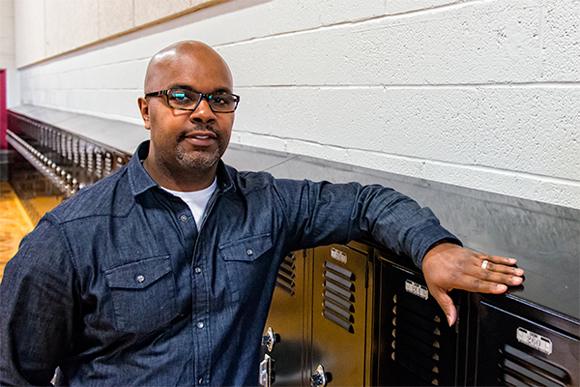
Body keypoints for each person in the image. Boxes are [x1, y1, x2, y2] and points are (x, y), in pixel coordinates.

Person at [0, 41, 524, 386]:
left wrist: (433, 246)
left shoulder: (267, 205)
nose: (203, 112)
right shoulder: (69, 237)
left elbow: (367, 202)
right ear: (145, 110)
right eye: (181, 96)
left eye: (220, 99)